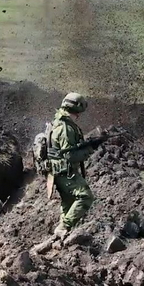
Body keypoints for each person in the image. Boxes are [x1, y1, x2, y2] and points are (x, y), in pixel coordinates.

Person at [48, 92, 102, 239]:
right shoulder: (66, 128)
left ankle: (61, 235)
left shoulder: (58, 122)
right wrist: (90, 149)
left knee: (69, 202)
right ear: (77, 110)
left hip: (59, 172)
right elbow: (70, 156)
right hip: (66, 172)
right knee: (85, 196)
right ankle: (63, 227)